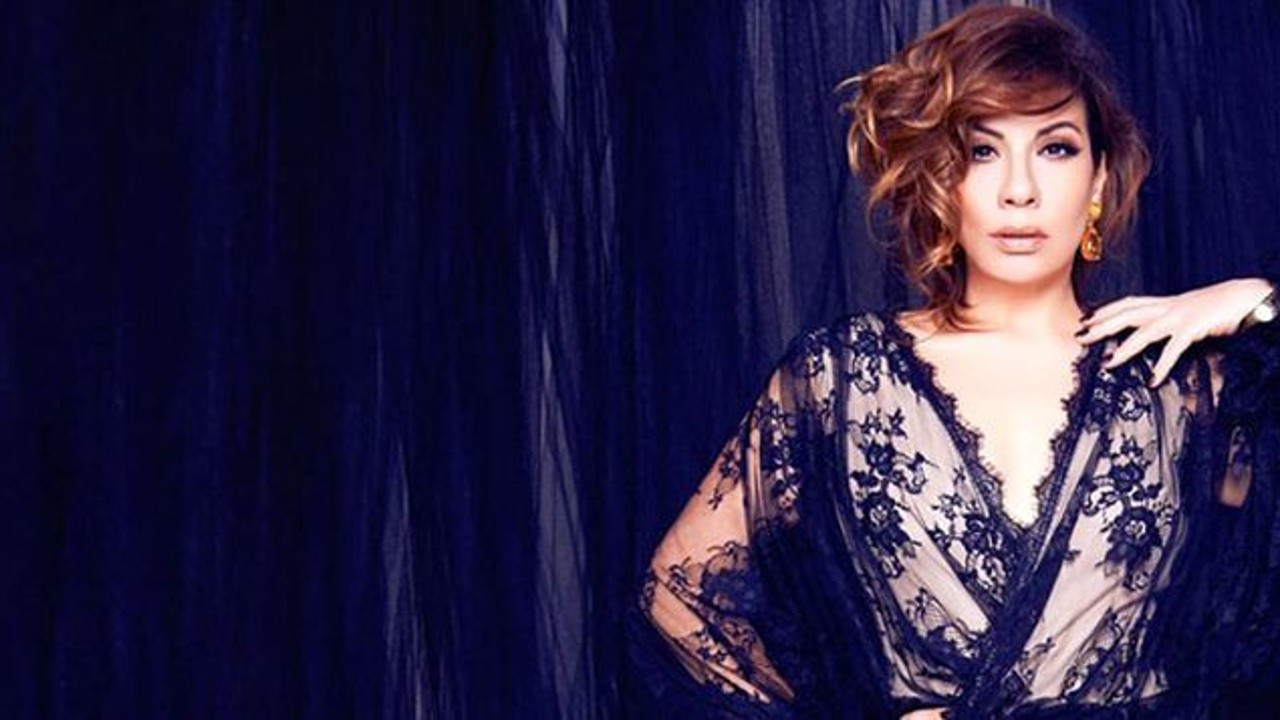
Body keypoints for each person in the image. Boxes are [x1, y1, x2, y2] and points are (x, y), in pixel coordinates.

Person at [625, 5, 1280, 718]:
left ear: (1098, 179)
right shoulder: (841, 380)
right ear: (939, 176)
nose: (1019, 190)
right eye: (981, 150)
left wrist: (1262, 304)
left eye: (1056, 149)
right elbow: (679, 611)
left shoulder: (1190, 383)